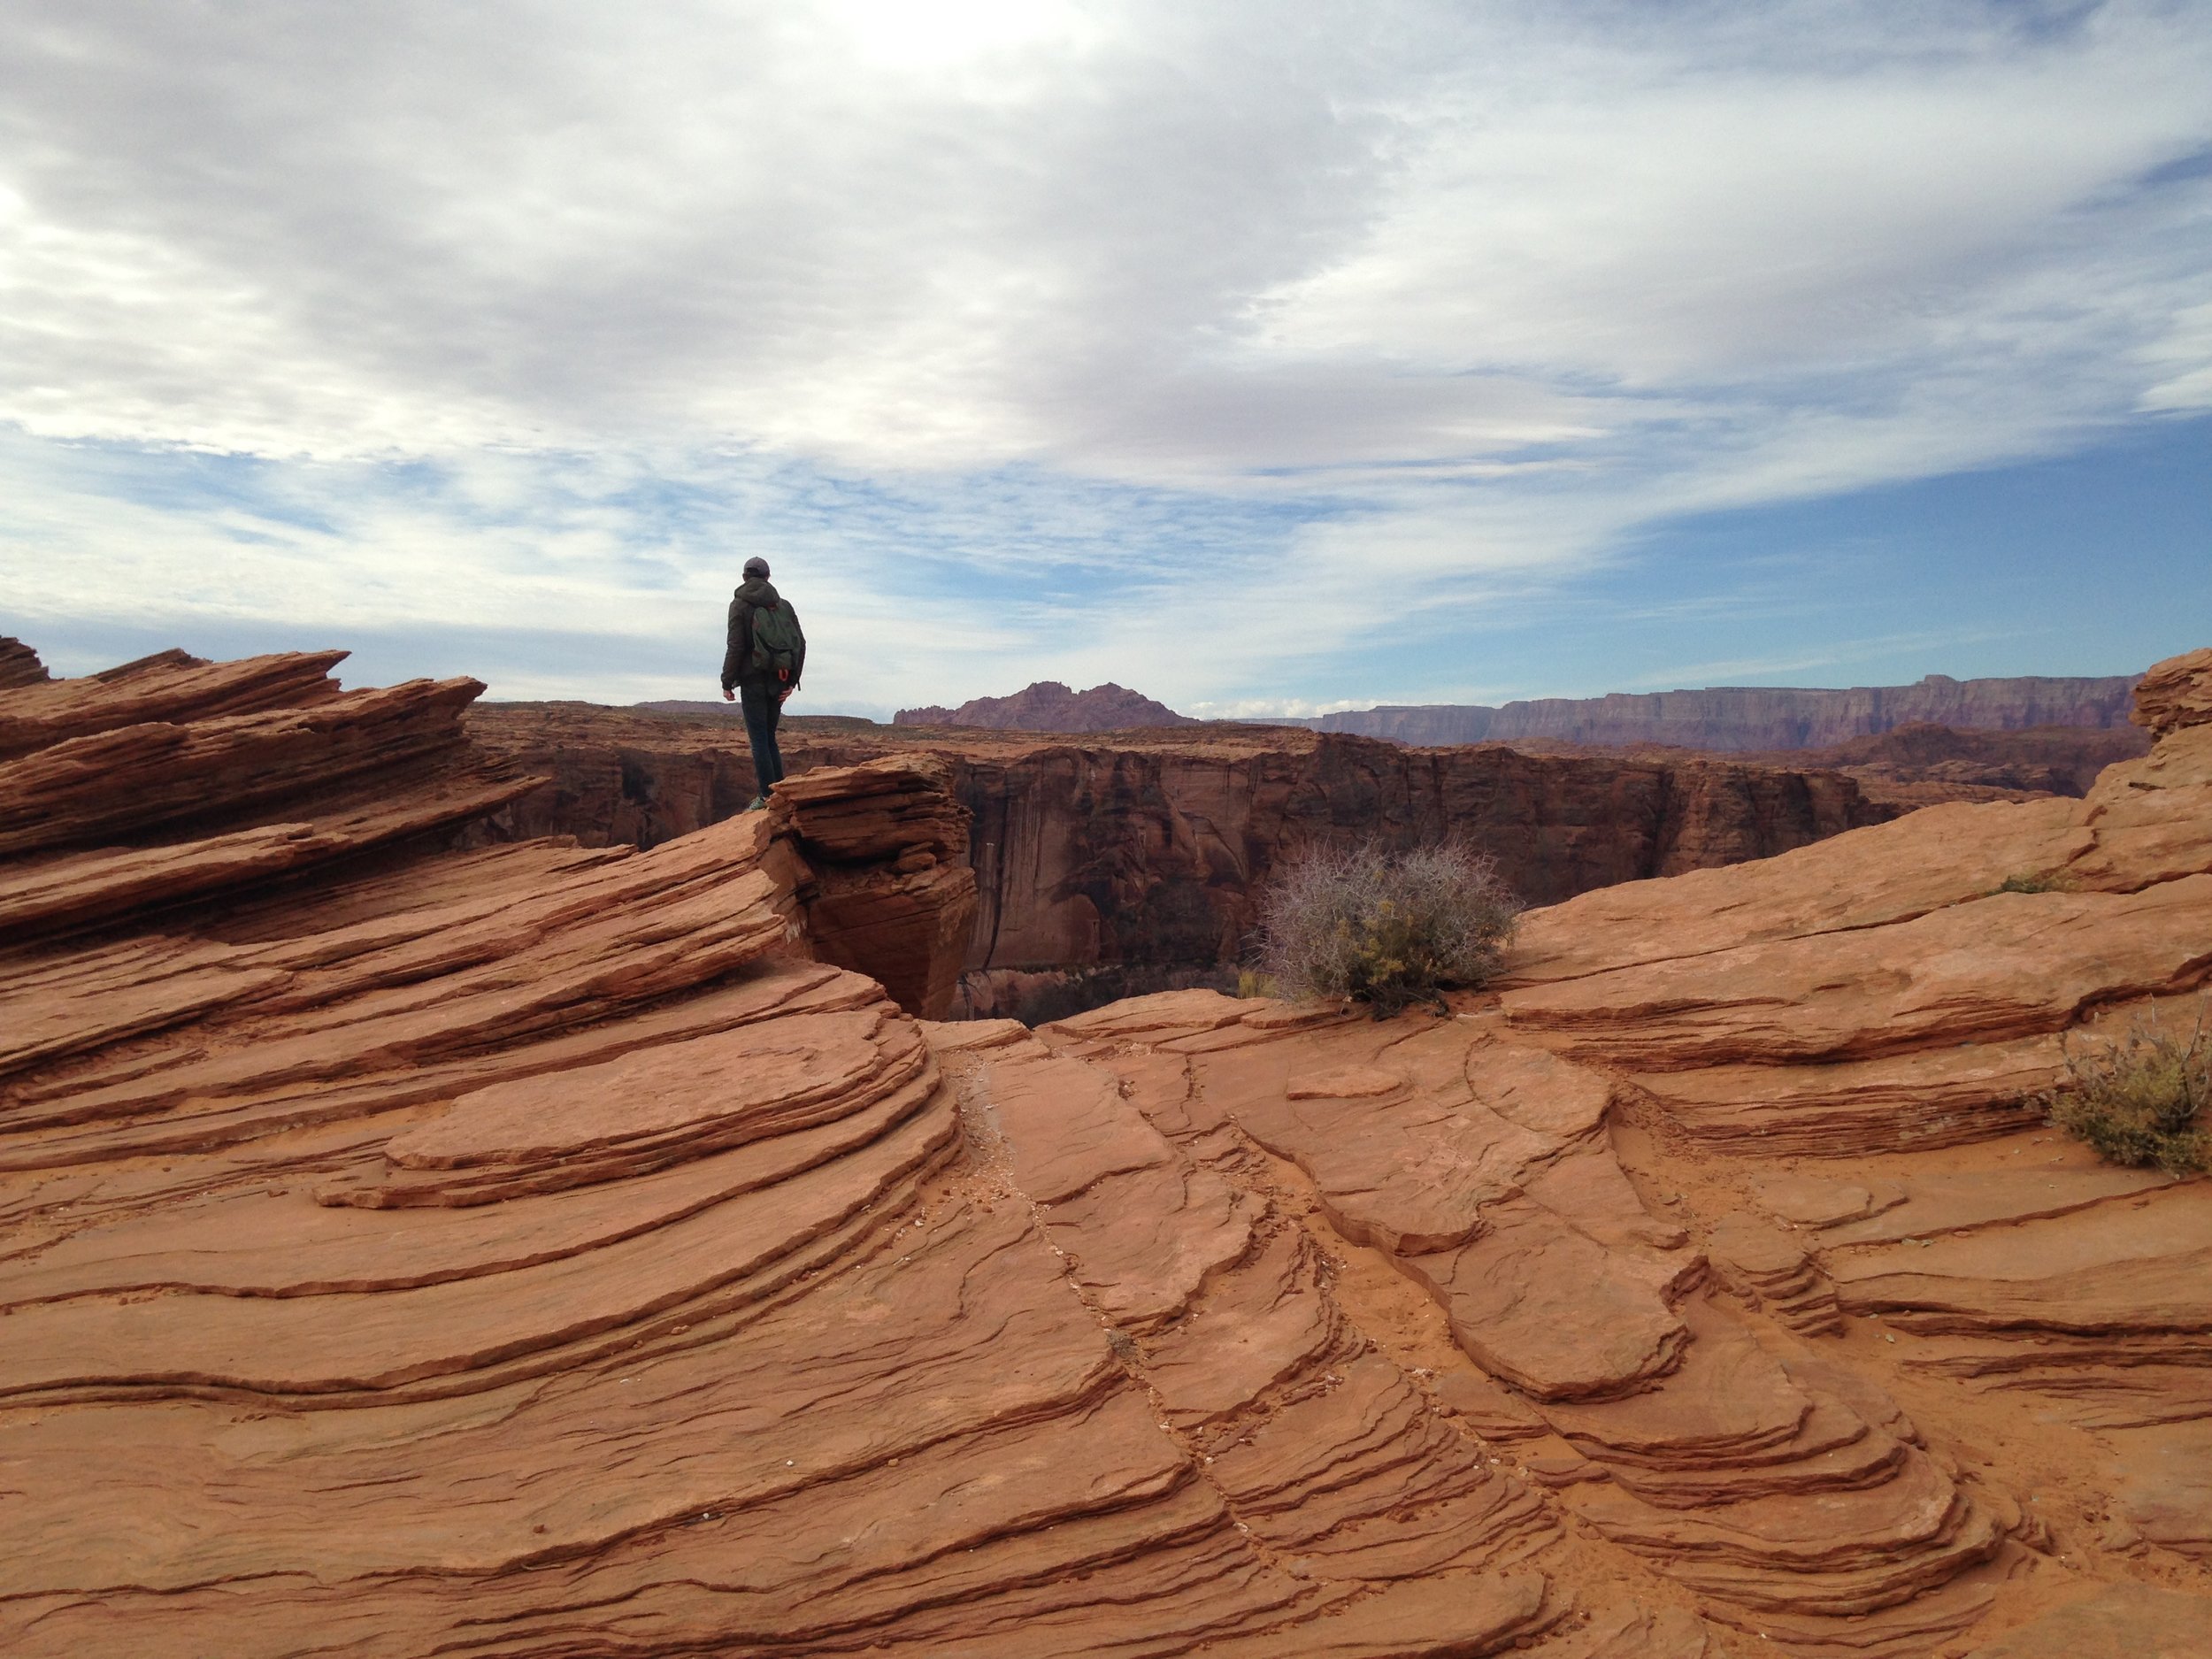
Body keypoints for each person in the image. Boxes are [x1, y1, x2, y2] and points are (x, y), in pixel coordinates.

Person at [719, 556, 806, 810]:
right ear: (768, 577)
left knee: (759, 739)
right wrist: (792, 680)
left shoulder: (738, 605)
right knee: (769, 737)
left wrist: (727, 681)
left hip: (753, 680)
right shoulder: (784, 606)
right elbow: (800, 644)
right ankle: (779, 790)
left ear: (744, 577)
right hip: (779, 679)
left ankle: (768, 796)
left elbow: (735, 646)